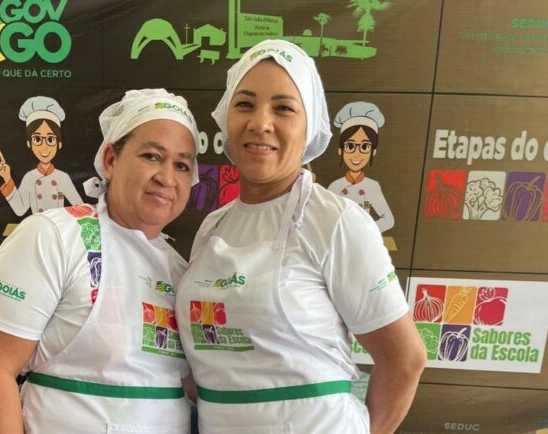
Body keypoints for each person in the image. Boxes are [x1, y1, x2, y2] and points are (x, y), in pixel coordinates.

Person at [176, 40, 426, 434]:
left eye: (283, 108)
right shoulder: (213, 227)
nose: (260, 123)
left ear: (309, 127)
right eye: (245, 104)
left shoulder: (335, 221)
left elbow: (405, 359)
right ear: (226, 118)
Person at [0, 89, 200, 433]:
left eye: (182, 165)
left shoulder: (184, 274)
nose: (166, 178)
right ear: (111, 159)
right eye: (152, 156)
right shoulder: (54, 237)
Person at [0, 96, 83, 216]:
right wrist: (7, 178)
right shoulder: (29, 177)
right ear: (29, 143)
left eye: (50, 139)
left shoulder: (62, 177)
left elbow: (80, 208)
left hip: (57, 225)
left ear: (59, 144)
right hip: (36, 225)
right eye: (37, 139)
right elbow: (20, 210)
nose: (44, 146)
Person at [327, 102, 394, 233]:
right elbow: (324, 218)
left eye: (364, 147)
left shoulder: (372, 186)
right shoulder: (335, 186)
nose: (357, 153)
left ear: (373, 152)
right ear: (341, 150)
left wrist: (364, 232)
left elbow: (388, 219)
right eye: (350, 146)